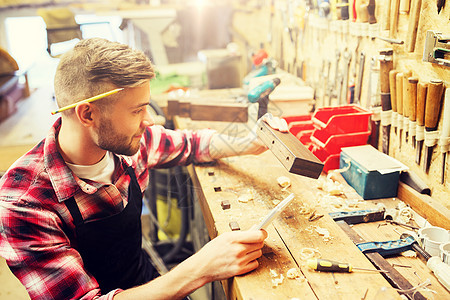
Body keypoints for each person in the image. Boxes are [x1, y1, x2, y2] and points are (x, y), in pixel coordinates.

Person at [0, 38, 288, 300]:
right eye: (137, 110)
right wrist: (200, 268)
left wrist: (251, 142)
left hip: (145, 283)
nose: (149, 121)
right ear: (87, 113)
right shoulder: (25, 203)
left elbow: (192, 143)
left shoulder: (128, 144)